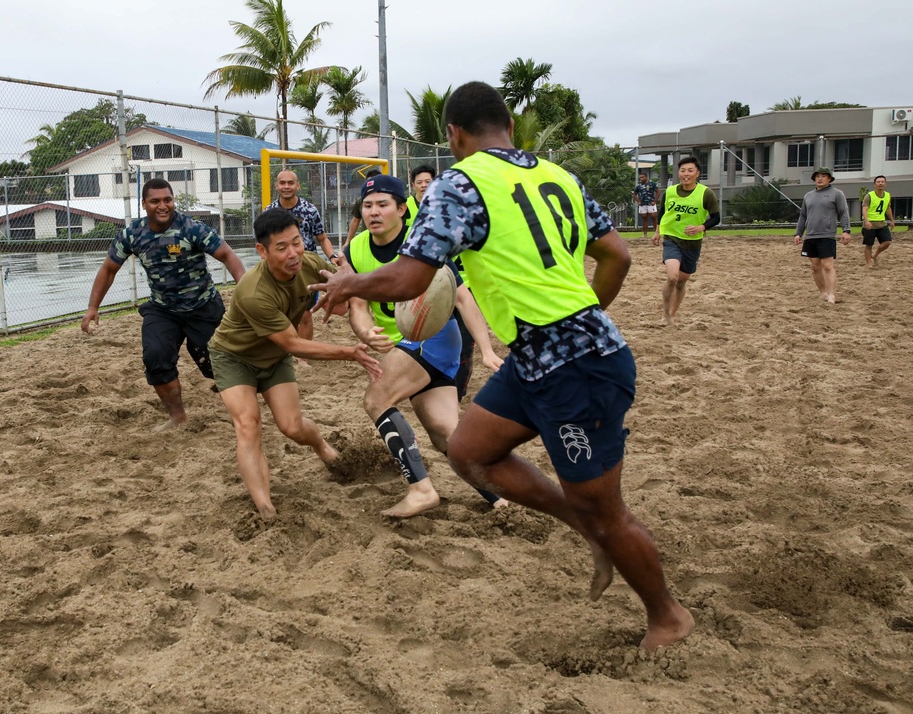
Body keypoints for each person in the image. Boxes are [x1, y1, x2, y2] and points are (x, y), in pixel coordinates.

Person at [311, 81, 693, 652]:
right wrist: (585, 315)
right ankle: (586, 528)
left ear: (454, 136)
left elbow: (412, 278)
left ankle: (667, 615)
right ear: (509, 127)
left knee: (606, 510)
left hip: (576, 367)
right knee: (468, 451)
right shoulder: (556, 174)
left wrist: (352, 283)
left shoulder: (459, 184)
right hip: (544, 356)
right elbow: (617, 254)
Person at [345, 174, 506, 517]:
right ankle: (503, 499)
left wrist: (487, 348)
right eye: (368, 206)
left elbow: (463, 299)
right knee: (445, 434)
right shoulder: (356, 249)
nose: (373, 212)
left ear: (402, 209)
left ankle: (421, 490)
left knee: (376, 398)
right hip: (405, 347)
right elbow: (357, 306)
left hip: (433, 337)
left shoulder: (422, 244)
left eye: (382, 205)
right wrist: (365, 333)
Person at [208, 208, 381, 518]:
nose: (293, 253)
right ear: (262, 251)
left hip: (273, 360)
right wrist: (351, 352)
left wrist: (343, 279)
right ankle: (265, 508)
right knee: (248, 424)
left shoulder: (308, 262)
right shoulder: (253, 291)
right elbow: (294, 345)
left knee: (292, 427)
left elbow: (341, 275)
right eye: (282, 247)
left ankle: (323, 448)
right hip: (234, 357)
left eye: (297, 242)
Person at [81, 178, 246, 431]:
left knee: (220, 364)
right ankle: (177, 418)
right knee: (155, 357)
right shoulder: (132, 234)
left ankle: (242, 413)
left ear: (173, 201)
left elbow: (228, 255)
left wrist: (244, 290)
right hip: (163, 308)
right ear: (144, 204)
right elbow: (109, 269)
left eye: (167, 200)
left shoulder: (192, 228)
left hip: (203, 306)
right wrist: (93, 307)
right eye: (155, 201)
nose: (162, 206)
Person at [265, 170, 338, 362]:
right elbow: (264, 243)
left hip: (304, 270)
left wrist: (332, 257)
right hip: (278, 270)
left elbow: (322, 238)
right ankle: (282, 355)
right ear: (276, 186)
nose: (286, 186)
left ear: (298, 186)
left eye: (290, 183)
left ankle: (303, 358)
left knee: (305, 315)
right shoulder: (269, 212)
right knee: (280, 314)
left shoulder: (309, 210)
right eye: (282, 183)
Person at [651, 157, 720, 325]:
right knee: (673, 277)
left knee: (681, 282)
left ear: (697, 173)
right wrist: (657, 231)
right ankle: (665, 314)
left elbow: (716, 218)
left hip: (692, 243)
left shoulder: (706, 193)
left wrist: (700, 228)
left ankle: (673, 313)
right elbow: (662, 213)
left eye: (690, 171)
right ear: (678, 173)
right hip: (672, 239)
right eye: (682, 171)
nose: (686, 174)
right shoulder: (670, 192)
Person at [794, 167, 851, 303]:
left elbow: (843, 212)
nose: (820, 178)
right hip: (811, 235)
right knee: (815, 267)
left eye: (823, 176)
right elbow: (803, 216)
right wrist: (798, 233)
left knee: (827, 265)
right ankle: (823, 292)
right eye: (817, 176)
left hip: (827, 234)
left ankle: (832, 294)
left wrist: (846, 230)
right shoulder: (808, 196)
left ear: (829, 179)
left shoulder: (837, 194)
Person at [862, 175, 895, 267]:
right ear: (874, 184)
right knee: (869, 245)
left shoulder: (887, 195)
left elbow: (888, 208)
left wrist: (892, 220)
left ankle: (875, 255)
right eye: (878, 182)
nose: (880, 183)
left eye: (882, 182)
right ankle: (868, 263)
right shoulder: (869, 196)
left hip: (881, 223)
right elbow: (864, 209)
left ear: (885, 184)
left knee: (887, 242)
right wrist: (867, 221)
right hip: (870, 223)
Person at [344, 167, 382, 246]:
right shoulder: (361, 200)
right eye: (369, 183)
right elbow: (355, 221)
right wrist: (348, 241)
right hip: (367, 242)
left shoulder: (389, 200)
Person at [633, 172, 660, 239]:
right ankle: (645, 235)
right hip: (643, 204)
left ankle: (657, 233)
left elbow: (658, 192)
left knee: (654, 217)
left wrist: (655, 201)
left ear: (646, 177)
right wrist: (638, 201)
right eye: (640, 177)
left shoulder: (652, 183)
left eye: (642, 177)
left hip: (651, 203)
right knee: (644, 218)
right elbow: (634, 194)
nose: (641, 179)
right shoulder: (638, 185)